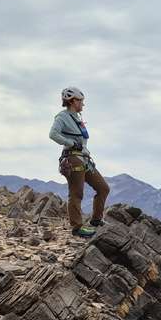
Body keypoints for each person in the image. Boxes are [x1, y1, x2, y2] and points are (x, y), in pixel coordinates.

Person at [49, 86, 108, 236]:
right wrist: (70, 143)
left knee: (103, 188)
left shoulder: (77, 118)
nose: (83, 104)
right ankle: (77, 228)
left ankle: (96, 220)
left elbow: (82, 140)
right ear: (72, 101)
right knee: (76, 193)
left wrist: (85, 151)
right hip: (72, 159)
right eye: (80, 101)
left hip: (84, 159)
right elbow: (53, 134)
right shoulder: (62, 117)